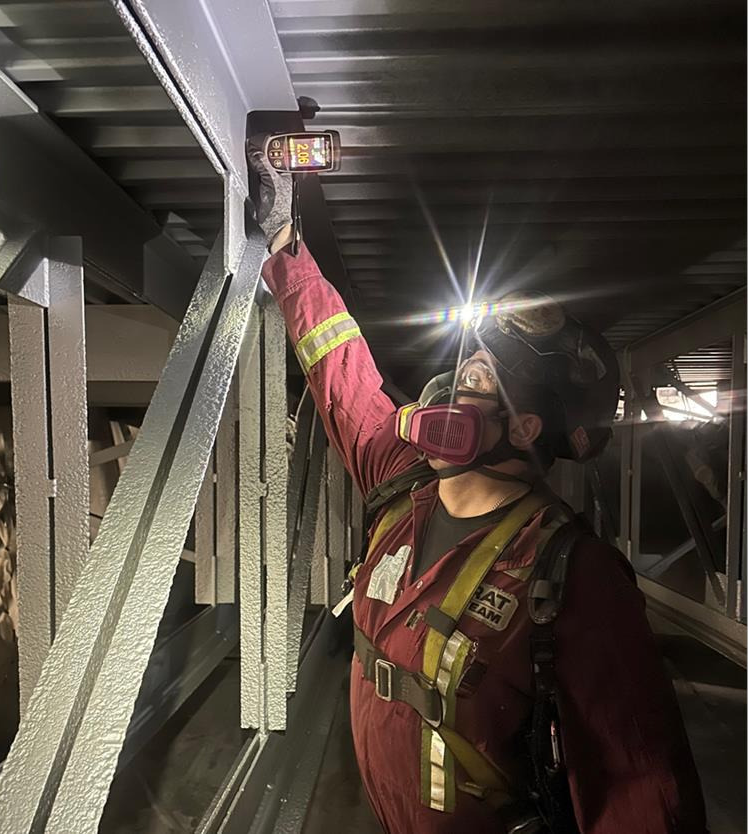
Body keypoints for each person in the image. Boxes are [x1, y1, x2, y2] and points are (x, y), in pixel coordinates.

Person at [248, 145, 708, 834]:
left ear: (524, 427)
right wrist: (285, 244)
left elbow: (640, 787)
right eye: (463, 370)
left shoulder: (572, 577)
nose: (453, 387)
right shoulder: (402, 489)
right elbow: (340, 373)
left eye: (482, 381)